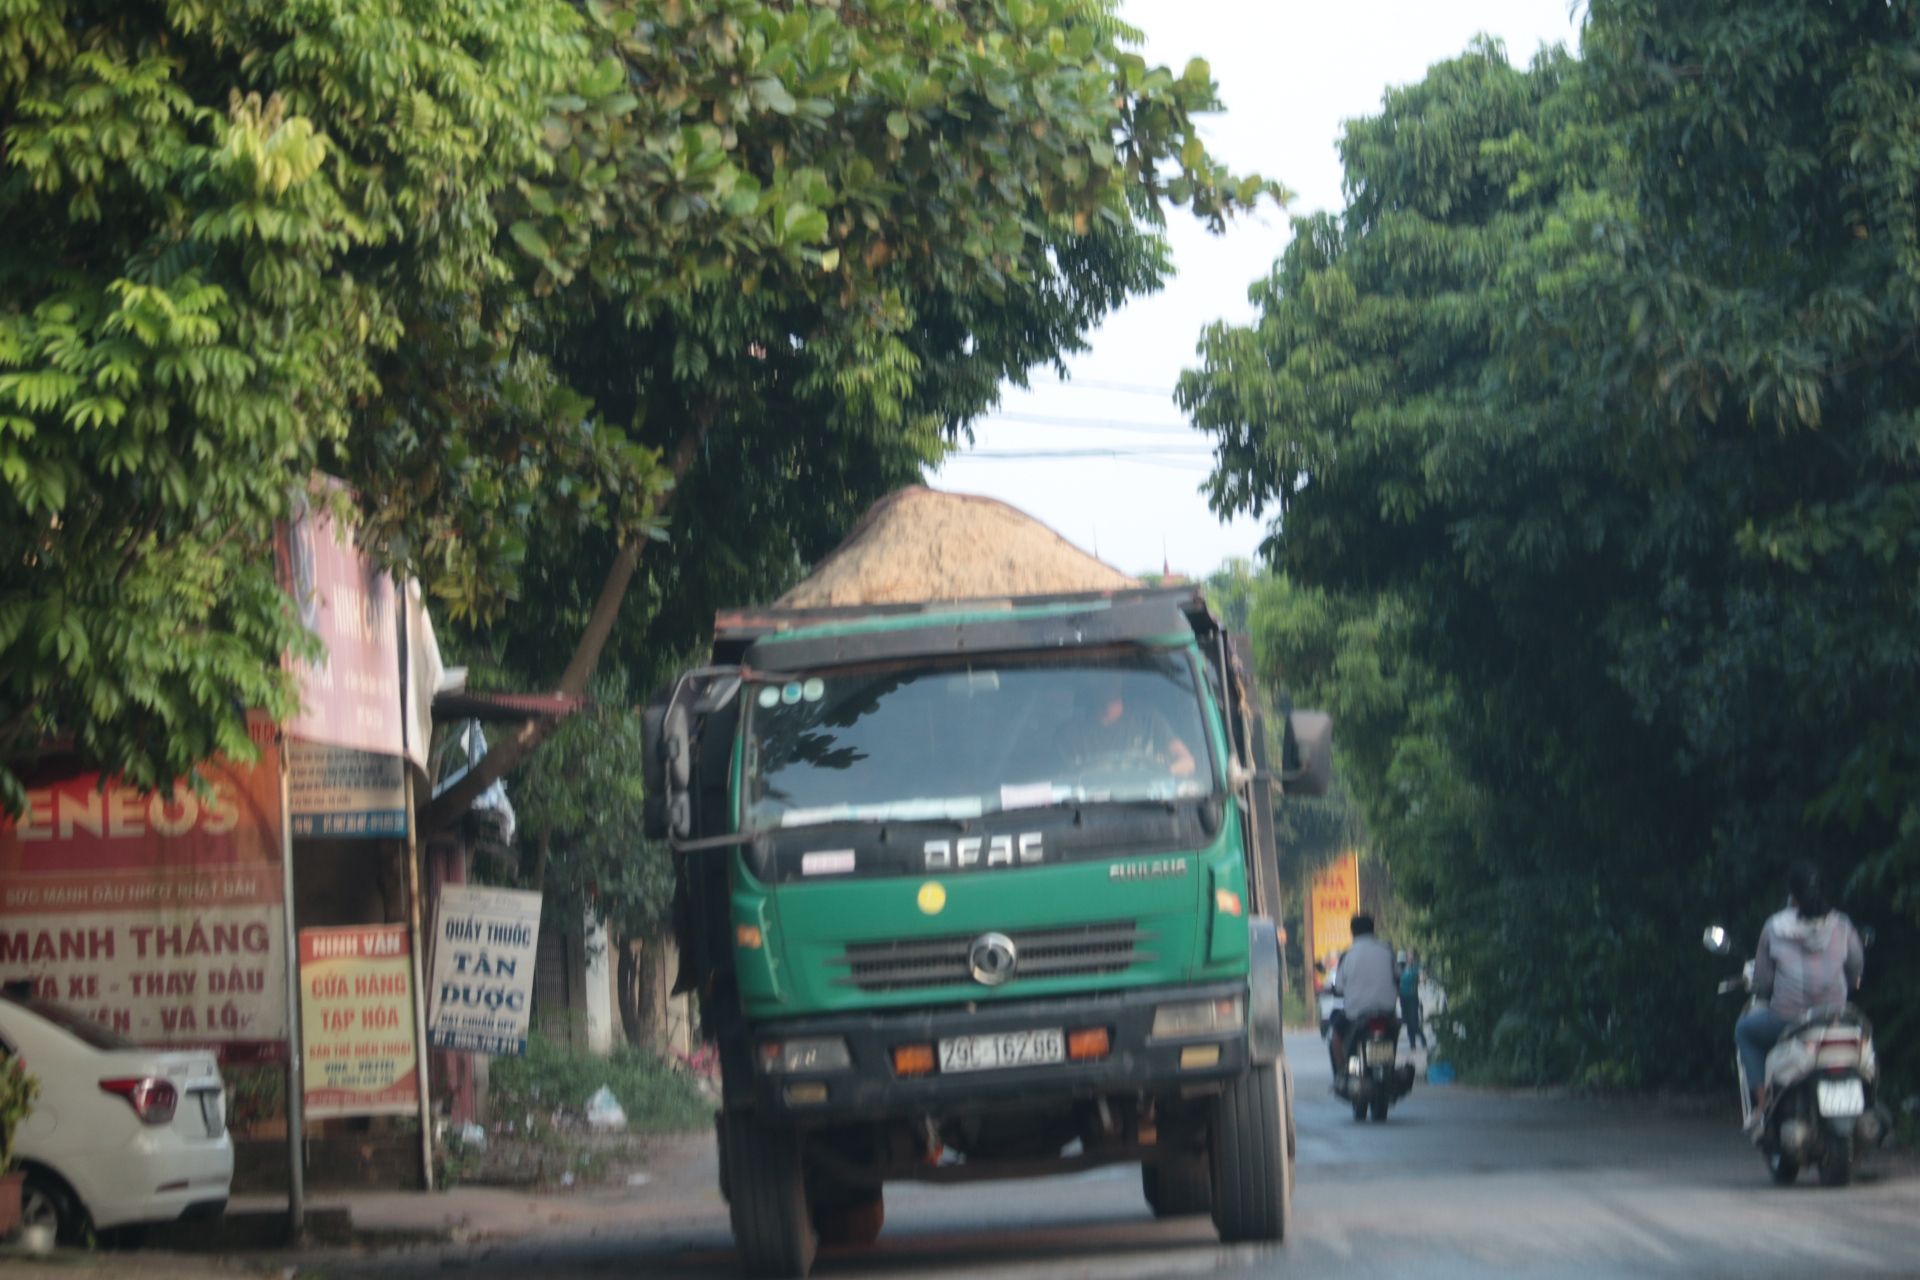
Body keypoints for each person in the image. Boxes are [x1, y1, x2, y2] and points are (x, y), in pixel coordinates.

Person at [1733, 861, 1864, 1133]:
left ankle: (1760, 1106)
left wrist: (1763, 989)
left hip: (1788, 1018)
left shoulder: (1774, 927)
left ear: (1792, 895)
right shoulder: (1842, 924)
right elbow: (1855, 966)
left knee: (1745, 1031)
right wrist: (1850, 983)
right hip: (1835, 1017)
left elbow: (1764, 980)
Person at [1328, 914, 1399, 1079]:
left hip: (1356, 1013)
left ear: (1352, 932)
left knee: (1336, 1038)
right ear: (1373, 930)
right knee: (1395, 1029)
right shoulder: (1387, 951)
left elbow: (1339, 987)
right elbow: (1397, 977)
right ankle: (1390, 1067)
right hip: (1386, 1011)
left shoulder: (1348, 955)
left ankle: (1344, 1073)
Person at [1399, 949, 1427, 1050]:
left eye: (1411, 956)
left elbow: (1422, 977)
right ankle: (1412, 1044)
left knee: (1414, 1022)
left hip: (1412, 998)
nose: (1409, 958)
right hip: (1403, 998)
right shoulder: (1400, 968)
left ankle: (1422, 1039)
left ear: (1413, 958)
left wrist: (1422, 976)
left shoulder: (1416, 968)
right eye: (1407, 956)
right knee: (1407, 1022)